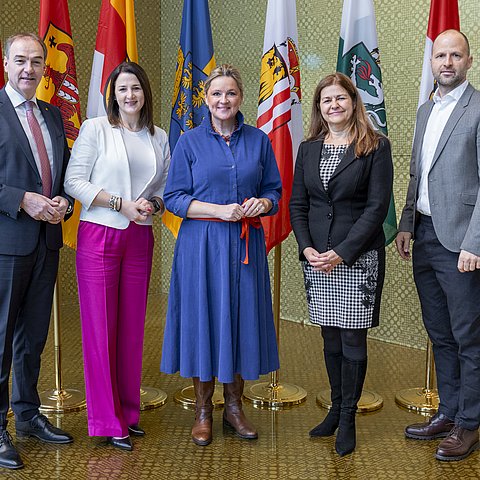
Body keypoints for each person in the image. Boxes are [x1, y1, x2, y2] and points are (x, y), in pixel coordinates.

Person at [161, 64, 281, 446]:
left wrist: (262, 202)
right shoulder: (188, 142)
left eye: (230, 93)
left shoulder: (259, 140)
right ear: (206, 99)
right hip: (202, 247)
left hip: (245, 248)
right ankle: (202, 410)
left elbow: (274, 191)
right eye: (216, 94)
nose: (223, 100)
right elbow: (175, 199)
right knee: (205, 323)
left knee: (240, 321)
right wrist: (219, 210)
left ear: (240, 98)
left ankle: (234, 407)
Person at [64, 61, 170, 451]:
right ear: (112, 94)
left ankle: (127, 411)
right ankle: (106, 420)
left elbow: (164, 185)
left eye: (136, 89)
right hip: (100, 235)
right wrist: (120, 203)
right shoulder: (95, 129)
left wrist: (154, 205)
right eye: (122, 89)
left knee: (131, 328)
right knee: (100, 329)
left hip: (140, 237)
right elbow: (73, 181)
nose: (130, 96)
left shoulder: (158, 136)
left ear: (145, 94)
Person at [290, 73, 393, 456]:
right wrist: (306, 248)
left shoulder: (375, 146)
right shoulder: (309, 148)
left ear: (353, 101)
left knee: (352, 338)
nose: (333, 106)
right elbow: (298, 205)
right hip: (317, 260)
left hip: (357, 258)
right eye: (325, 100)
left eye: (340, 99)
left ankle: (348, 417)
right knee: (329, 336)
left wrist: (343, 251)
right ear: (319, 107)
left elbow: (376, 208)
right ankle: (335, 407)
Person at [396, 29, 480, 462]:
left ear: (469, 60)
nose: (447, 62)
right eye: (440, 55)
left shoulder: (478, 108)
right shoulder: (426, 110)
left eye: (455, 55)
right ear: (432, 62)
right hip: (425, 235)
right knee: (440, 334)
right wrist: (407, 223)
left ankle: (469, 423)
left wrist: (475, 242)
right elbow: (416, 173)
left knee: (468, 335)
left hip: (462, 243)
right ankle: (448, 411)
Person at [0, 33, 75, 469]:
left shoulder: (50, 113)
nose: (29, 69)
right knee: (1, 338)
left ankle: (27, 414)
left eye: (36, 61)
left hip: (47, 241)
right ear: (6, 63)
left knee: (33, 337)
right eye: (20, 60)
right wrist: (20, 199)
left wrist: (63, 200)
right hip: (8, 243)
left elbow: (61, 174)